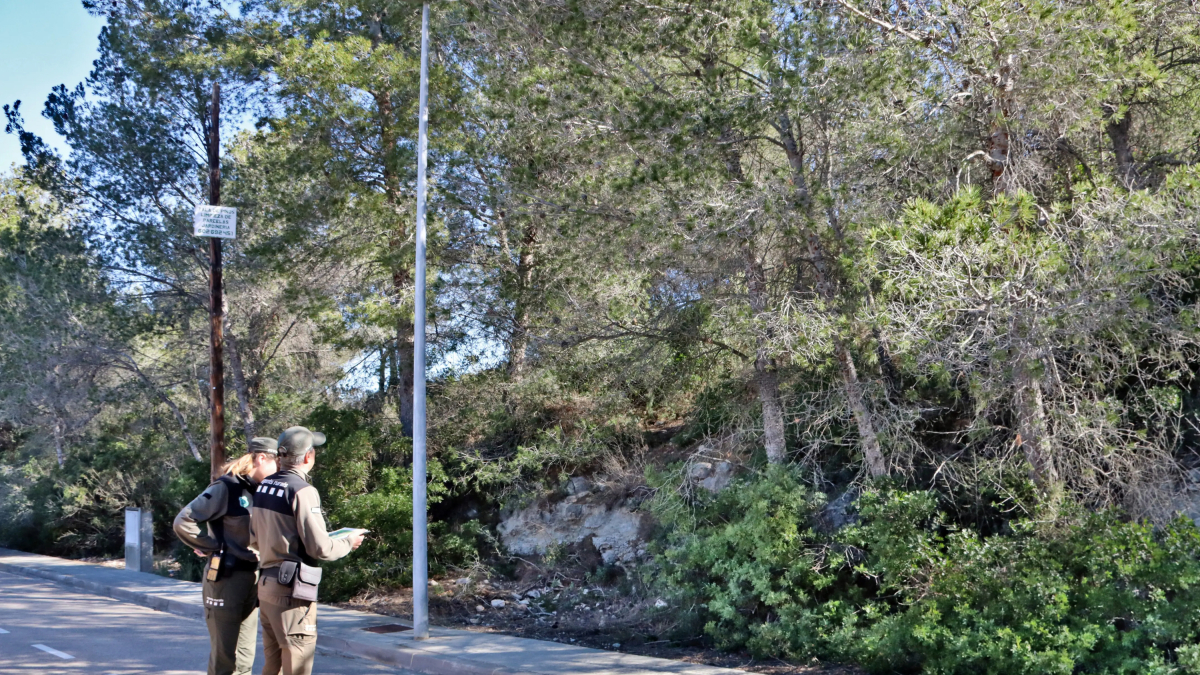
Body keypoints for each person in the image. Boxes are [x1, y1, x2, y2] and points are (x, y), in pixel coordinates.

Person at [251, 426, 365, 675]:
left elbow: (254, 539)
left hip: (267, 584)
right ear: (308, 456)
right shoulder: (302, 490)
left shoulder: (263, 487)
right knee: (297, 663)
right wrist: (348, 541)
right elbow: (320, 547)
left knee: (274, 664)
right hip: (291, 591)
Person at [173, 437, 280, 675]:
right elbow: (184, 521)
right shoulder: (226, 487)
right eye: (277, 464)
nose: (279, 471)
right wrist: (211, 546)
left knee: (244, 658)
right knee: (224, 658)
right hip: (226, 579)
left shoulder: (259, 490)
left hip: (252, 578)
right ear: (262, 458)